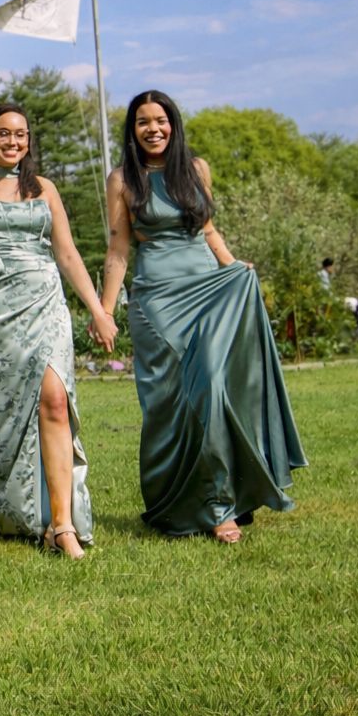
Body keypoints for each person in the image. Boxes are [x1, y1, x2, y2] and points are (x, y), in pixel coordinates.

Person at [99, 90, 306, 544]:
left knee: (212, 386)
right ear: (132, 130)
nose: (153, 128)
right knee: (170, 406)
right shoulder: (121, 179)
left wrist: (232, 265)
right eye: (142, 122)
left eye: (161, 119)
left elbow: (207, 227)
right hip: (157, 301)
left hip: (209, 292)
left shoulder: (196, 169)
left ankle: (219, 505)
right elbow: (118, 249)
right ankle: (171, 504)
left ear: (173, 123)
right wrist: (105, 310)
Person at [0, 104, 116, 559]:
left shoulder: (45, 189)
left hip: (43, 301)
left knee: (55, 400)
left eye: (21, 134)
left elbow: (68, 254)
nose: (13, 142)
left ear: (29, 141)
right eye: (3, 133)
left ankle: (61, 525)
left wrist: (98, 309)